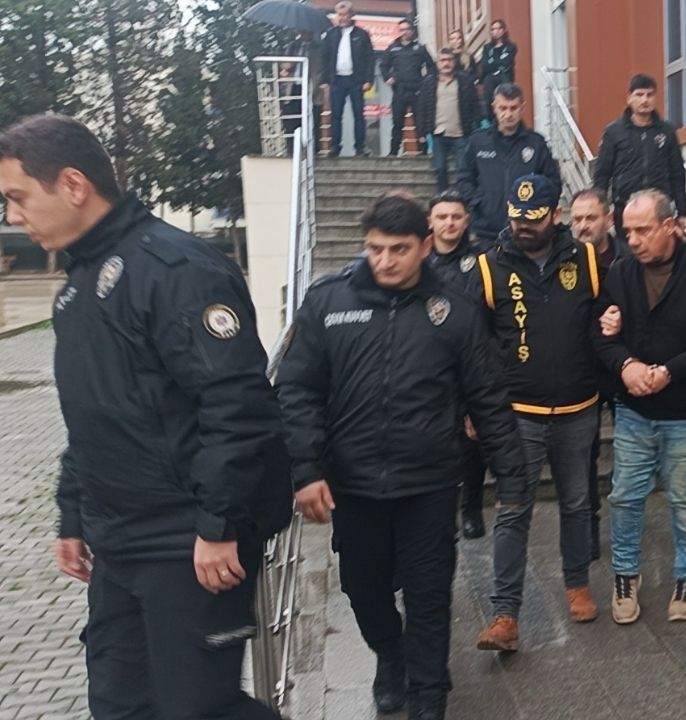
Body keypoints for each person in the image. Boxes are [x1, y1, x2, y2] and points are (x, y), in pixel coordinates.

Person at [0, 114, 291, 719]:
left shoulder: (177, 270)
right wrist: (72, 515)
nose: (12, 216)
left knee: (197, 709)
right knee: (120, 706)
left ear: (73, 185)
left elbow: (238, 407)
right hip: (117, 544)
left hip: (188, 545)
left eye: (18, 197)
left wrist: (218, 525)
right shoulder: (79, 284)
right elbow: (93, 417)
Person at [277, 193, 525, 720]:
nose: (385, 261)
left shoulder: (455, 311)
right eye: (375, 249)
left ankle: (428, 698)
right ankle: (391, 656)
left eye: (398, 249)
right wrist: (306, 470)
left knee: (429, 597)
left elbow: (488, 398)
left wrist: (512, 479)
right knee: (363, 591)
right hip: (354, 484)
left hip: (429, 484)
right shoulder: (327, 302)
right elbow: (298, 391)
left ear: (425, 246)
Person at [472, 174, 603, 652]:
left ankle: (577, 583)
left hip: (578, 408)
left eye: (533, 217)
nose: (522, 225)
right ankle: (505, 614)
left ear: (555, 215)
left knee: (577, 503)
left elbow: (604, 322)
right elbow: (473, 346)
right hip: (518, 413)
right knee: (512, 512)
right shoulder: (488, 266)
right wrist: (474, 406)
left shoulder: (587, 260)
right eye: (516, 217)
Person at [592, 189, 686, 624]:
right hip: (633, 411)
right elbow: (599, 334)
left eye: (643, 230)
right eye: (627, 231)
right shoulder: (620, 271)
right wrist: (625, 365)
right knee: (625, 498)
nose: (632, 239)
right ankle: (625, 576)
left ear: (670, 225)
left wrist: (670, 371)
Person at [425, 189, 489, 539]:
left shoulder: (483, 262)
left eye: (456, 216)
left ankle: (472, 508)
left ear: (466, 221)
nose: (449, 223)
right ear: (430, 222)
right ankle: (442, 513)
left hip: (471, 367)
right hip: (430, 369)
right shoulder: (419, 263)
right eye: (442, 216)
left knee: (472, 445)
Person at [570, 187, 629, 559]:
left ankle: (626, 524)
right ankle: (588, 527)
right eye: (576, 219)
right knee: (584, 456)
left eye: (590, 218)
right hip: (582, 369)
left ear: (608, 219)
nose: (582, 225)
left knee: (630, 453)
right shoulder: (564, 259)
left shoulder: (630, 255)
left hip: (622, 366)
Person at [456, 83, 560, 249]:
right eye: (503, 108)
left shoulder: (536, 143)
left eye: (513, 108)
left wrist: (537, 209)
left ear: (522, 107)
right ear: (494, 108)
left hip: (525, 229)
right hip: (485, 230)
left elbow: (553, 183)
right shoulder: (478, 141)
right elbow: (464, 178)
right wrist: (478, 202)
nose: (508, 114)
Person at [593, 74, 686, 239]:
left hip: (659, 208)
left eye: (649, 95)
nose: (645, 100)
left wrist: (682, 210)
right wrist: (599, 209)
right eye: (639, 95)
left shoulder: (667, 131)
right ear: (629, 98)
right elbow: (602, 174)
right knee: (628, 249)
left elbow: (677, 172)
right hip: (625, 208)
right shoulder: (613, 132)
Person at [417, 49, 481, 189]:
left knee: (463, 169)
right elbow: (422, 108)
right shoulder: (429, 82)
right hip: (438, 134)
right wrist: (421, 133)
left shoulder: (465, 81)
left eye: (449, 60)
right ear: (437, 63)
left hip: (461, 134)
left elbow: (475, 105)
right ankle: (442, 197)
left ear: (454, 61)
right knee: (439, 168)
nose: (446, 63)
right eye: (443, 60)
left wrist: (477, 129)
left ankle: (463, 197)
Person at [320, 1, 374, 157]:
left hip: (356, 80)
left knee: (358, 115)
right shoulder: (330, 34)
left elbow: (369, 58)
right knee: (336, 115)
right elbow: (325, 58)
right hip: (336, 80)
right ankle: (335, 147)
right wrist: (324, 81)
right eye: (340, 15)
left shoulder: (362, 34)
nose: (342, 18)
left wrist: (368, 80)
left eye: (345, 14)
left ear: (352, 15)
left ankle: (360, 147)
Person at [380, 18, 433, 157]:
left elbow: (431, 66)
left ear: (412, 31)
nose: (404, 32)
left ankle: (423, 151)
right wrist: (387, 77)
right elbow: (383, 65)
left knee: (420, 121)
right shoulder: (393, 48)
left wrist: (426, 82)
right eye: (401, 30)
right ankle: (393, 152)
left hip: (417, 90)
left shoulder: (420, 48)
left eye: (407, 29)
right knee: (397, 122)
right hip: (400, 90)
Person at [282, 30, 324, 152]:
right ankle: (292, 149)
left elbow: (320, 68)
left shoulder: (318, 48)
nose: (305, 34)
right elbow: (284, 65)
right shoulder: (292, 46)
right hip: (294, 86)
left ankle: (314, 150)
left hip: (312, 87)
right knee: (292, 119)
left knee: (313, 119)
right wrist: (288, 65)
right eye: (303, 31)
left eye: (308, 32)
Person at [478, 19, 518, 121]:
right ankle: (490, 120)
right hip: (490, 80)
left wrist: (493, 63)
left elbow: (507, 63)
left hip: (504, 78)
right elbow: (485, 65)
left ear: (504, 30)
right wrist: (499, 63)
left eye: (499, 28)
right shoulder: (487, 48)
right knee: (489, 101)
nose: (496, 31)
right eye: (493, 29)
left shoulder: (511, 46)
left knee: (505, 99)